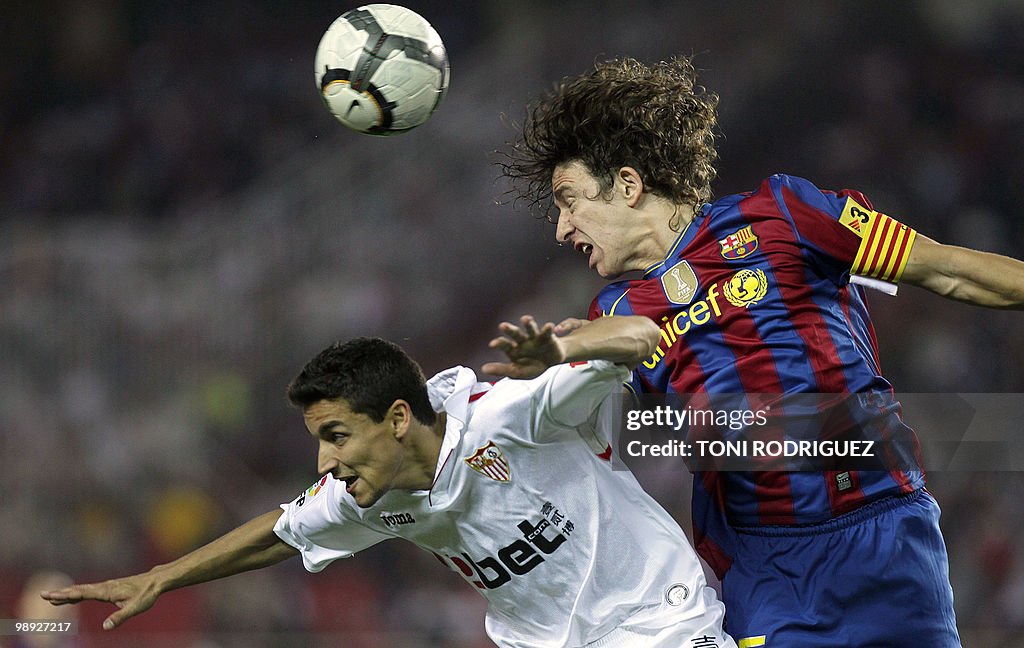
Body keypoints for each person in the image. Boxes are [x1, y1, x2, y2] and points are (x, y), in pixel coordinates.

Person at [499, 56, 1024, 646]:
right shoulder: (613, 310)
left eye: (569, 201)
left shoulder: (784, 215)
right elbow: (637, 429)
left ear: (627, 184)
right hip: (767, 567)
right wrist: (571, 355)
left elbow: (950, 272)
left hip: (884, 524)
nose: (561, 228)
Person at [41, 314, 737, 648]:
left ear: (399, 417)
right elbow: (277, 534)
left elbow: (647, 336)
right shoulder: (368, 495)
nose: (325, 465)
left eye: (336, 437)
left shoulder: (513, 410)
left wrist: (564, 348)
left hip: (660, 625)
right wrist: (163, 575)